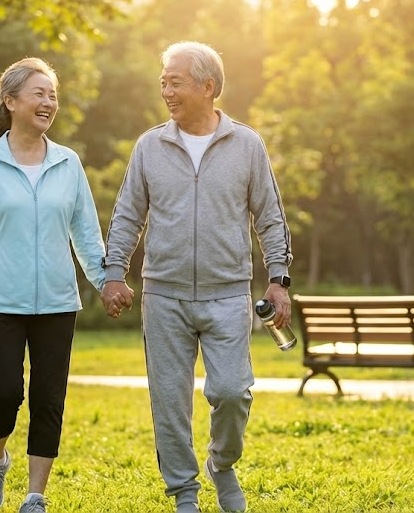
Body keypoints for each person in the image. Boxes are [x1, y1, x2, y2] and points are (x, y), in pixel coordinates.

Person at [101, 41, 293, 513]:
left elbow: (270, 216)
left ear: (208, 87)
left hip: (227, 294)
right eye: (163, 81)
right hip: (163, 295)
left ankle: (222, 465)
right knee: (169, 403)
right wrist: (113, 272)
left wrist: (278, 278)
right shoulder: (150, 146)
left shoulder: (246, 144)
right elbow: (128, 215)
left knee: (231, 392)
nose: (166, 90)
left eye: (175, 81)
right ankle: (184, 492)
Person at [0, 57, 108, 513]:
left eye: (52, 94)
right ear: (10, 102)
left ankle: (35, 496)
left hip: (56, 301)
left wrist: (106, 281)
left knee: (50, 397)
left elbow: (86, 235)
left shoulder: (68, 163)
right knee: (5, 391)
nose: (49, 102)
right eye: (39, 94)